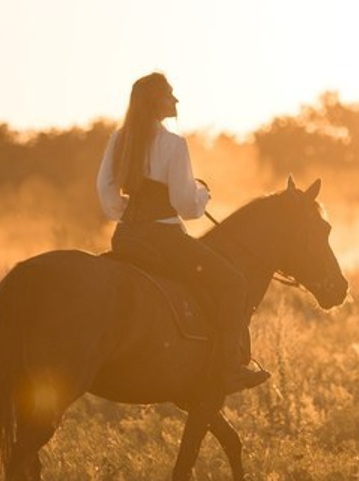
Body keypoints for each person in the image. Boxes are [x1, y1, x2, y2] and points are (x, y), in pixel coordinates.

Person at [97, 72, 269, 394]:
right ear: (155, 102)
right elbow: (185, 205)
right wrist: (203, 194)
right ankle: (229, 369)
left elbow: (106, 193)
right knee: (233, 283)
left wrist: (129, 213)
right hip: (163, 239)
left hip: (126, 237)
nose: (176, 100)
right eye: (169, 95)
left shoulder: (118, 139)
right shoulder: (173, 144)